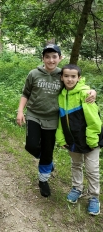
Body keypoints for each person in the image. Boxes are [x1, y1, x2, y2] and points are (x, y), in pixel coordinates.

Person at [16, 44, 96, 198]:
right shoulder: (34, 74)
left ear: (60, 58)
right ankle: (48, 163)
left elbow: (78, 86)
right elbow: (25, 93)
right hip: (34, 114)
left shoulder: (63, 74)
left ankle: (43, 180)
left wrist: (93, 91)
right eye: (47, 57)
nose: (51, 60)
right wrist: (20, 111)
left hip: (53, 119)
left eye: (54, 56)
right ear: (43, 58)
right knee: (31, 145)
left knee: (47, 150)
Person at [56, 64, 101, 215]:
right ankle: (77, 188)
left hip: (90, 140)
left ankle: (94, 197)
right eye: (66, 76)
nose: (69, 79)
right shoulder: (61, 96)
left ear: (79, 78)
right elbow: (60, 120)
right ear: (62, 77)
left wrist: (92, 139)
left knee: (92, 170)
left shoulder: (85, 94)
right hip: (72, 140)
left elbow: (94, 119)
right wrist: (61, 139)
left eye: (73, 76)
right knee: (76, 164)